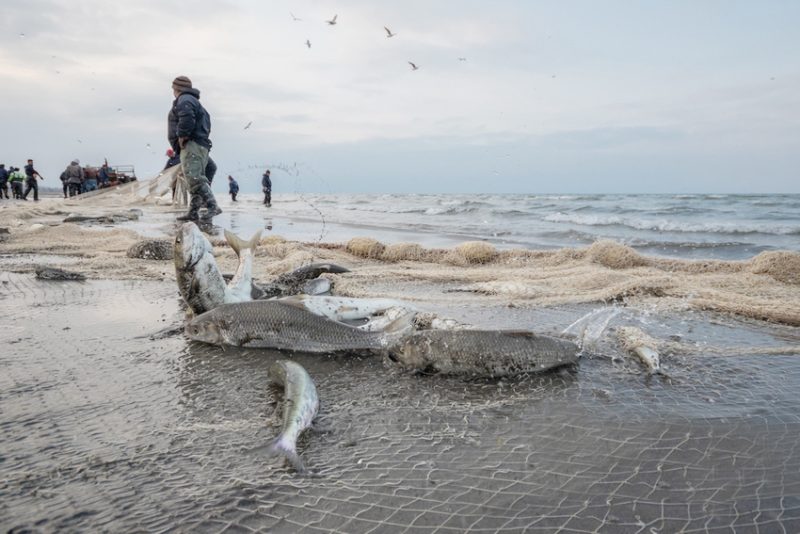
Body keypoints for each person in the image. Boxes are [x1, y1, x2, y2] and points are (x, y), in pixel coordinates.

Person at [168, 75, 221, 221]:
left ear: (175, 88)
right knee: (194, 180)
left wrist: (183, 135)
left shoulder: (185, 99)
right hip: (199, 145)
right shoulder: (195, 102)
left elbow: (186, 115)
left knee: (194, 178)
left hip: (192, 145)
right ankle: (193, 212)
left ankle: (213, 206)